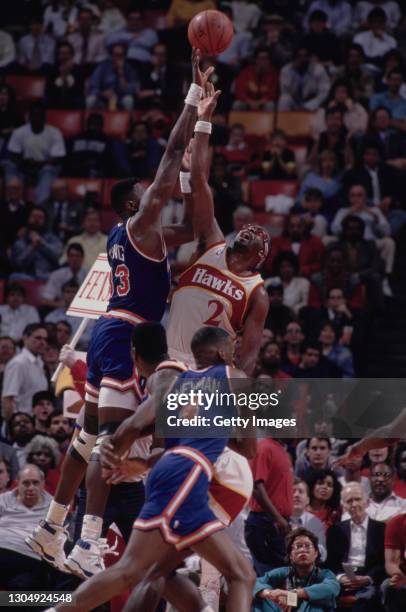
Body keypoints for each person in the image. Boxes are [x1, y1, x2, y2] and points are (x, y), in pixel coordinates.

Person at [27, 52, 211, 574]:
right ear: (136, 204)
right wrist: (194, 102)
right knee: (111, 444)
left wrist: (202, 161)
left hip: (110, 330)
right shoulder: (140, 220)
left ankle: (51, 526)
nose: (154, 193)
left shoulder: (137, 236)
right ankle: (87, 542)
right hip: (126, 335)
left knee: (86, 440)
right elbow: (171, 154)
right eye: (147, 193)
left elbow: (197, 228)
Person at [48, 326, 256, 612]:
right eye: (233, 346)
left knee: (157, 571)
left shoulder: (176, 380)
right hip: (191, 471)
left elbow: (135, 427)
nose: (236, 351)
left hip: (167, 470)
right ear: (222, 352)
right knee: (137, 570)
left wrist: (123, 457)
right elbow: (249, 448)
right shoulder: (233, 376)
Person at [167, 84, 269, 375]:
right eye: (248, 228)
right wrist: (204, 119)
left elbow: (249, 355)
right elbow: (200, 182)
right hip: (168, 358)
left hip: (205, 373)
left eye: (259, 235)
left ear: (260, 256)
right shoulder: (213, 242)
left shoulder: (257, 293)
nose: (250, 230)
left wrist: (236, 394)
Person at [326, 482, 386, 611]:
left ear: (367, 501)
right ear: (344, 506)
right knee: (322, 593)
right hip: (342, 579)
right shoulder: (335, 530)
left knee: (367, 597)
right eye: (349, 501)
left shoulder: (382, 529)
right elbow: (331, 563)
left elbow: (383, 562)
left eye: (358, 499)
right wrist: (341, 578)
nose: (354, 505)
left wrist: (368, 578)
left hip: (368, 578)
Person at [252, 527, 340, 612]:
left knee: (315, 602)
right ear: (291, 555)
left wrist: (292, 594)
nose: (303, 550)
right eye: (298, 546)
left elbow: (332, 588)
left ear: (316, 553)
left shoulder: (325, 574)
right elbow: (255, 583)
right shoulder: (283, 572)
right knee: (262, 598)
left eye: (307, 546)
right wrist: (271, 594)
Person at [245, 437, 294, 575]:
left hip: (276, 522)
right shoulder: (265, 447)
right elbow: (256, 486)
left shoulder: (280, 449)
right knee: (270, 576)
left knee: (280, 575)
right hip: (265, 522)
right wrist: (278, 518)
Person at [0, 465, 53, 590]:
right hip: (2, 549)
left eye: (35, 483)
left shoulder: (53, 507)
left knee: (24, 591)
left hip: (30, 557)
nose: (31, 488)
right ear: (17, 483)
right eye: (26, 483)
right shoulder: (3, 500)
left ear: (43, 484)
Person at [2, 323, 48, 421]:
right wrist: (11, 427)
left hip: (35, 422)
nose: (42, 342)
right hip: (20, 424)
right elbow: (8, 400)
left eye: (45, 339)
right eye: (38, 338)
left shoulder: (39, 362)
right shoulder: (18, 363)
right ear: (25, 338)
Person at [86, 42, 138, 111]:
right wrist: (102, 93)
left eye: (120, 55)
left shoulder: (129, 69)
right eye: (115, 55)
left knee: (129, 100)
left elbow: (131, 90)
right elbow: (93, 86)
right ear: (111, 55)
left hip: (120, 98)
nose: (117, 58)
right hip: (102, 97)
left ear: (125, 56)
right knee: (90, 100)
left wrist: (121, 74)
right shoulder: (102, 67)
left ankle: (127, 121)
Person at [279, 45, 330, 112]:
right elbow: (285, 91)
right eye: (299, 56)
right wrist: (294, 73)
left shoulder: (318, 70)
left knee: (321, 109)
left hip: (312, 102)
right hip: (295, 101)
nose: (302, 58)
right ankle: (284, 121)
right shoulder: (286, 70)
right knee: (284, 99)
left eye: (304, 56)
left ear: (309, 57)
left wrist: (309, 105)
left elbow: (324, 93)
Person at [291, 479, 327, 562]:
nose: (296, 495)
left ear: (308, 500)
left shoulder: (316, 522)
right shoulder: (279, 521)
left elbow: (323, 555)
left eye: (301, 492)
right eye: (293, 491)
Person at [42, 243, 86, 310]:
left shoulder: (90, 275)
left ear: (83, 258)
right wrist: (62, 305)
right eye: (72, 256)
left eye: (78, 256)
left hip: (83, 311)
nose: (75, 259)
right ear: (67, 258)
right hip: (60, 310)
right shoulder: (57, 275)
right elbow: (45, 300)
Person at [233, 47, 278, 111]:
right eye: (261, 58)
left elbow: (273, 94)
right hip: (248, 103)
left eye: (266, 58)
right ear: (256, 59)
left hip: (264, 103)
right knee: (237, 105)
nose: (263, 61)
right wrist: (250, 102)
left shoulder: (273, 74)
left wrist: (259, 103)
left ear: (269, 60)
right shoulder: (246, 72)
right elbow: (239, 92)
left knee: (270, 105)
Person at [61, 207, 106, 271]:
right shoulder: (73, 241)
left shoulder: (108, 241)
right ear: (83, 223)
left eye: (95, 220)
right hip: (78, 278)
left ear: (100, 223)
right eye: (89, 220)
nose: (92, 223)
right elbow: (63, 261)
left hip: (100, 277)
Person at [45, 40, 85, 109]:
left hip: (73, 103)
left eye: (67, 54)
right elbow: (50, 91)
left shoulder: (78, 70)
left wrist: (67, 74)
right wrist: (62, 76)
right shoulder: (52, 70)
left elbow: (79, 91)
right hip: (55, 102)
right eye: (61, 54)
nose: (64, 57)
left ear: (71, 55)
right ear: (57, 56)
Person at [381, 512, 406, 612]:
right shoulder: (397, 523)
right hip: (404, 575)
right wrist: (399, 575)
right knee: (388, 585)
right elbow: (390, 563)